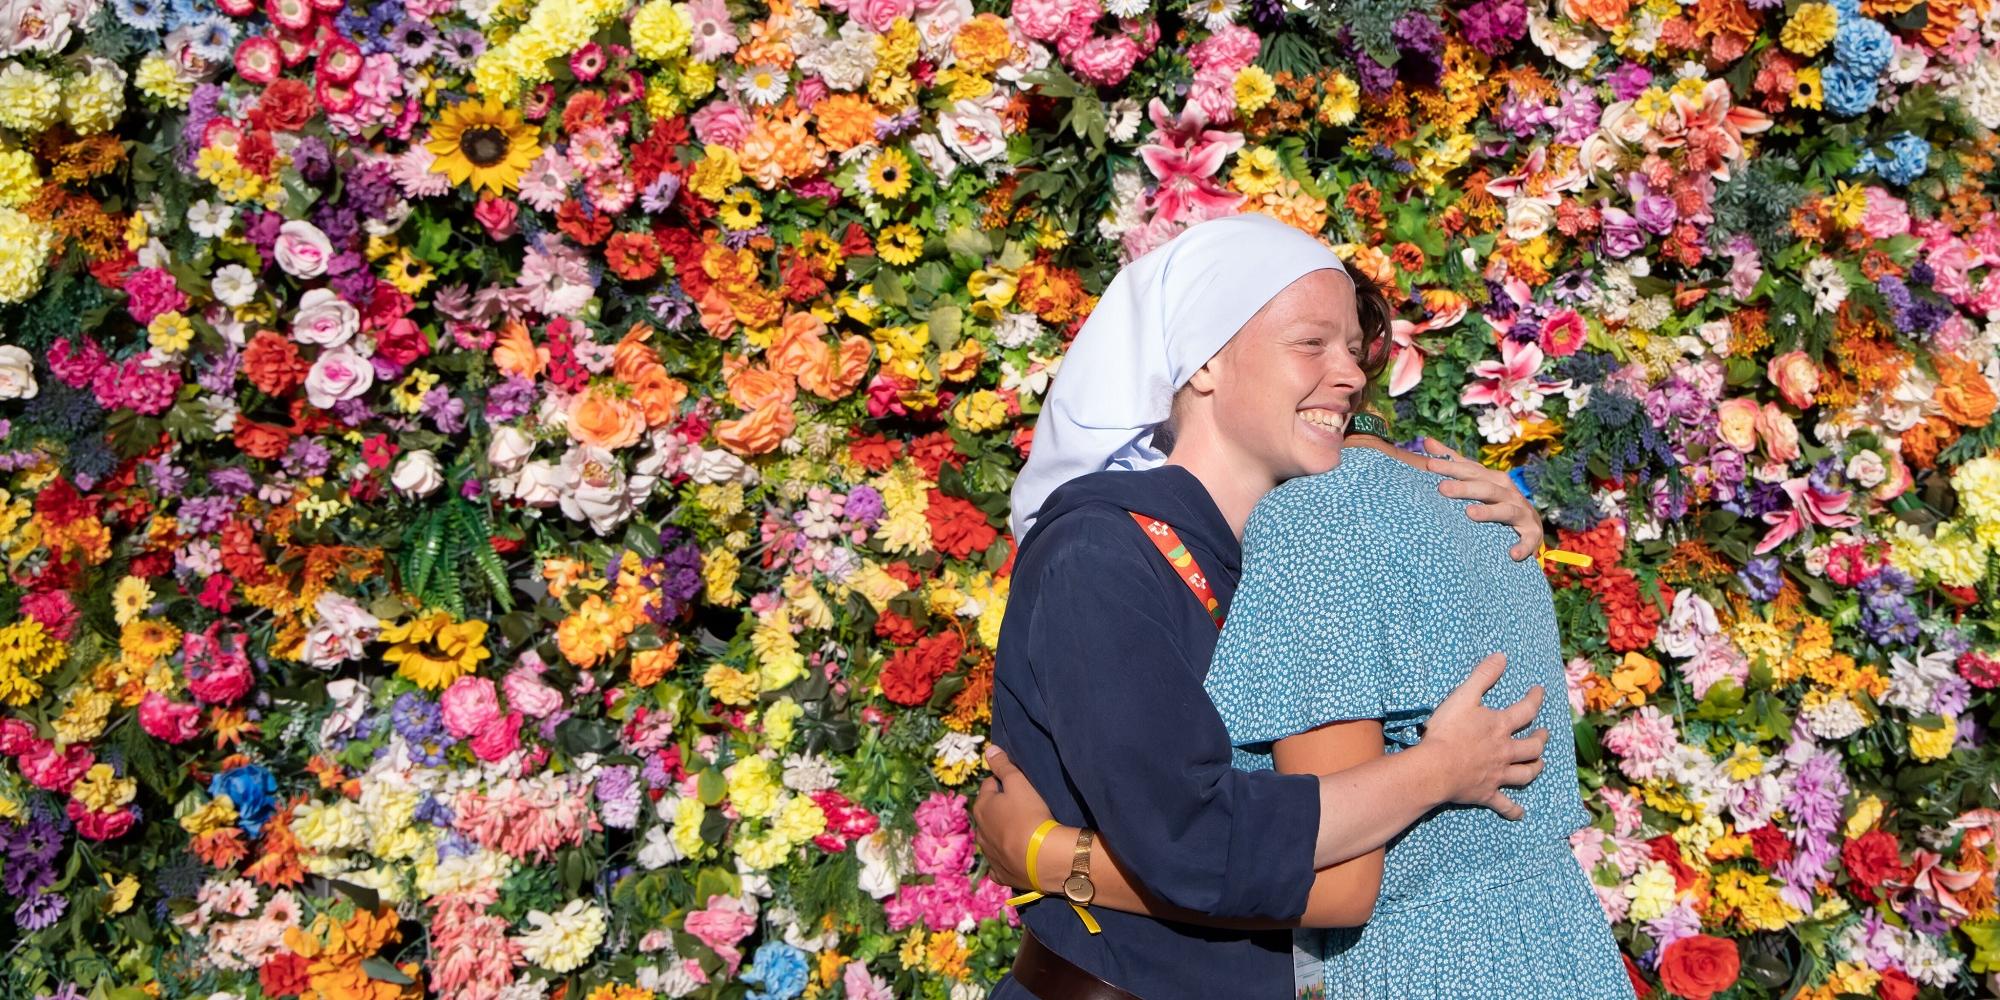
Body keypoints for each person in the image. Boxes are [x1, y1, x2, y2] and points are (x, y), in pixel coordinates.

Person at [977, 212, 1554, 1000]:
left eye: (1354, 349)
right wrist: (1440, 769)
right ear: (1205, 362)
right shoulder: (1101, 555)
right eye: (1310, 343)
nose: (1350, 373)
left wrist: (1056, 858)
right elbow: (1193, 837)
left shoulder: (1307, 543)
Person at [1200, 421, 1631, 997]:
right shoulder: (1480, 507)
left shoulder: (1317, 518)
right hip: (1557, 940)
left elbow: (1336, 882)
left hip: (1425, 963)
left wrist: (1073, 867)